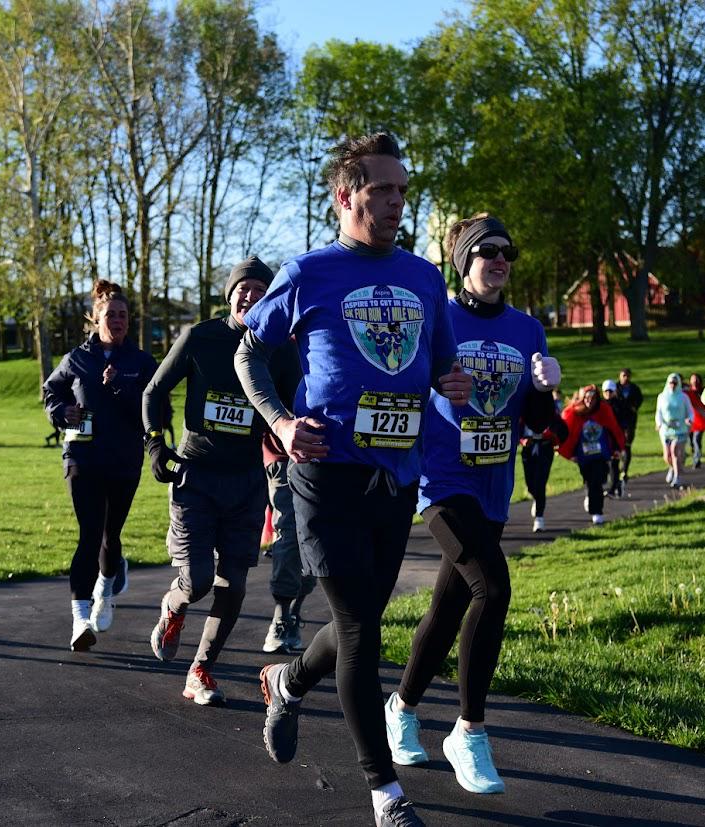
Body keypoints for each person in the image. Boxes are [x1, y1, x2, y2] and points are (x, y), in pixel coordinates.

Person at [236, 133, 470, 827]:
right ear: (346, 196)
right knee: (362, 630)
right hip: (324, 473)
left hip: (395, 476)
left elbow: (437, 367)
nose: (397, 202)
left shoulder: (426, 276)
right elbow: (252, 354)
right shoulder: (309, 271)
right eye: (382, 191)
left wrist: (449, 381)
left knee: (355, 620)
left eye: (402, 190)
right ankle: (385, 793)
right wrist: (280, 423)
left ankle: (288, 681)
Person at [384, 213, 561, 797]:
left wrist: (545, 391)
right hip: (441, 483)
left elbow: (539, 426)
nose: (501, 260)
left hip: (492, 489)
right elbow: (398, 386)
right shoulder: (440, 319)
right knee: (493, 588)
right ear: (464, 261)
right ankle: (469, 731)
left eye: (508, 251)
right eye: (488, 251)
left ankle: (403, 707)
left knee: (446, 609)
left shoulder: (527, 328)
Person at [143, 257, 299, 705]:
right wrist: (156, 444)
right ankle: (173, 607)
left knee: (234, 585)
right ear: (229, 294)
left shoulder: (280, 350)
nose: (250, 296)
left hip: (247, 481)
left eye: (259, 289)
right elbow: (154, 391)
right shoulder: (201, 337)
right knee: (197, 580)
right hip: (197, 475)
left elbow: (296, 404)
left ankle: (201, 670)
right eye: (242, 288)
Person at [44, 280, 157, 651]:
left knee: (111, 536)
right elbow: (51, 393)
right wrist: (63, 412)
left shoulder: (141, 363)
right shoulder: (76, 358)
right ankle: (79, 620)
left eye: (124, 315)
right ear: (96, 319)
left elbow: (155, 412)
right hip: (82, 457)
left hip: (124, 460)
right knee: (89, 534)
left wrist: (120, 390)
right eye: (111, 314)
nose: (119, 320)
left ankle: (106, 588)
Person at [261, 421, 316, 655]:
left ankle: (294, 611)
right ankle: (281, 617)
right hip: (284, 453)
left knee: (315, 537)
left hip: (328, 456)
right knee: (289, 534)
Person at [559, 385, 625, 525]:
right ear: (583, 398)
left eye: (593, 398)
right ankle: (590, 496)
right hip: (584, 456)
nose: (590, 401)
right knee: (589, 480)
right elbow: (567, 433)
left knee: (599, 481)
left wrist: (618, 448)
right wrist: (569, 454)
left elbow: (614, 429)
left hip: (601, 455)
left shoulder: (604, 411)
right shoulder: (575, 413)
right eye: (587, 398)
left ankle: (598, 512)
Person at [521, 387, 567, 533]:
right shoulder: (523, 410)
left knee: (540, 482)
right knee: (530, 484)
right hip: (528, 449)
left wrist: (554, 438)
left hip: (545, 448)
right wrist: (522, 441)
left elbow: (563, 430)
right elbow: (516, 429)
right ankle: (536, 498)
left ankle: (539, 518)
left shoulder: (551, 412)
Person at [654, 373, 692, 487]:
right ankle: (672, 468)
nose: (673, 385)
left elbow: (690, 411)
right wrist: (659, 423)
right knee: (667, 456)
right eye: (671, 383)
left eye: (675, 383)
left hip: (680, 430)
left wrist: (689, 419)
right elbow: (658, 412)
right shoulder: (662, 396)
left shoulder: (683, 397)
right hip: (666, 430)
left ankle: (677, 477)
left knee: (675, 451)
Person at [601, 379, 630, 497]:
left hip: (615, 438)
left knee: (614, 463)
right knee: (604, 464)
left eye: (610, 391)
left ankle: (613, 489)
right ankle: (617, 484)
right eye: (606, 391)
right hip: (603, 438)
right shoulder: (600, 405)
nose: (608, 393)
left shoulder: (620, 405)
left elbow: (624, 422)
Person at [614, 368, 642, 484]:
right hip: (617, 422)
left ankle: (625, 470)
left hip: (630, 421)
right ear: (619, 376)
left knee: (627, 446)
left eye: (627, 376)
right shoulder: (615, 388)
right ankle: (616, 469)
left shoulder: (634, 389)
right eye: (623, 375)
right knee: (617, 446)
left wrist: (634, 407)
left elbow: (640, 399)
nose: (625, 378)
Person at [684, 373, 705, 468]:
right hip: (690, 421)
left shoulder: (703, 392)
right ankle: (695, 454)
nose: (695, 382)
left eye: (696, 380)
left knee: (697, 439)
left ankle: (697, 459)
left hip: (701, 420)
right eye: (693, 380)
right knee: (691, 441)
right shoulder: (687, 393)